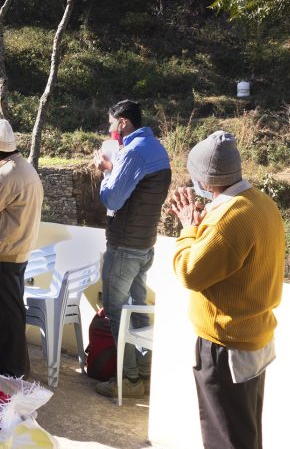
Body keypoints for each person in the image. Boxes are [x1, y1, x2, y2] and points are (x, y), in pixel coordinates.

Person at [169, 131, 284, 449]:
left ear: (205, 181)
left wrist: (189, 228)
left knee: (226, 438)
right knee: (244, 431)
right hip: (254, 336)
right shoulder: (262, 204)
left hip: (225, 346)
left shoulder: (226, 220)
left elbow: (189, 272)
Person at [92, 99, 171, 398]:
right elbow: (140, 189)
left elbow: (112, 200)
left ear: (123, 123)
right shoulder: (156, 149)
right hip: (144, 244)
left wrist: (105, 172)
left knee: (116, 311)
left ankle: (128, 380)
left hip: (124, 246)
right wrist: (116, 168)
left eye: (112, 123)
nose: (111, 130)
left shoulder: (133, 152)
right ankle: (146, 371)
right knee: (138, 311)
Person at [0, 119, 43, 378]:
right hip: (20, 251)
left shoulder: (3, 175)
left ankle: (12, 371)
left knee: (6, 317)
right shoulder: (26, 168)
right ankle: (17, 367)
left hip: (4, 254)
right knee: (13, 314)